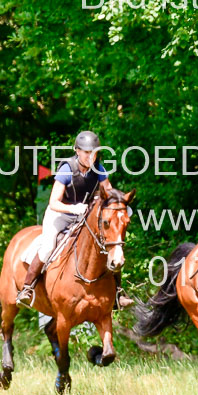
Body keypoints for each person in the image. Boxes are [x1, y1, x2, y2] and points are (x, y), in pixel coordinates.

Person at [17, 131, 133, 308]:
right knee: (48, 246)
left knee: (107, 246)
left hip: (84, 215)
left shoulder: (99, 169)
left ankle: (118, 292)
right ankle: (27, 288)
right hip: (60, 213)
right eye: (87, 152)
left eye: (94, 153)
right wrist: (72, 208)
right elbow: (54, 202)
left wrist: (118, 204)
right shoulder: (67, 169)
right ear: (77, 151)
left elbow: (108, 193)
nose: (90, 157)